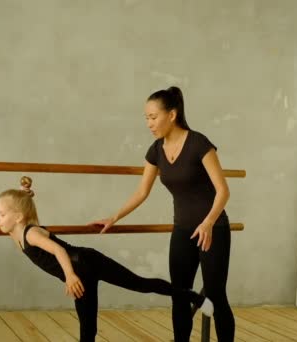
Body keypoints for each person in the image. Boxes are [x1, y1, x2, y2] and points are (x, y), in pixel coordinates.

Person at [91, 86, 235, 341]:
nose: (148, 123)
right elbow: (141, 192)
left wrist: (209, 223)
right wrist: (114, 217)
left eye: (153, 117)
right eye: (146, 117)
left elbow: (223, 191)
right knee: (179, 293)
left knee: (215, 294)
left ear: (172, 114)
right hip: (182, 230)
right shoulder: (155, 150)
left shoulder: (199, 143)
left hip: (213, 229)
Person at [0, 176, 213, 342]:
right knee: (88, 323)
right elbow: (19, 223)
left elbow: (58, 251)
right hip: (82, 268)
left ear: (18, 217)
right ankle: (193, 296)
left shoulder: (31, 233)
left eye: (2, 215)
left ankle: (193, 296)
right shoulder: (20, 230)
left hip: (83, 265)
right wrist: (7, 220)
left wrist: (69, 276)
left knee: (140, 284)